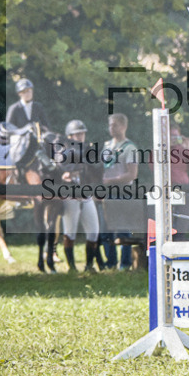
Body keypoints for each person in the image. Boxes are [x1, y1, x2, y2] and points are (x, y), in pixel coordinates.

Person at [59, 119, 103, 273]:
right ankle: (71, 267)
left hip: (86, 195)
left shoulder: (88, 151)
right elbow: (60, 172)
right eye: (77, 134)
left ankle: (89, 265)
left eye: (82, 134)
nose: (80, 137)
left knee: (94, 231)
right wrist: (67, 174)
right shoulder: (63, 153)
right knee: (70, 232)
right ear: (70, 136)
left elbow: (96, 170)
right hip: (70, 196)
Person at [100, 113, 140, 270]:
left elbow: (132, 174)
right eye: (110, 124)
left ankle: (125, 263)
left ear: (124, 126)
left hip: (123, 192)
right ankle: (110, 262)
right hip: (107, 192)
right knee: (106, 229)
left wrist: (112, 180)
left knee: (123, 229)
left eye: (115, 125)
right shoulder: (106, 146)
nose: (111, 128)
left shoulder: (130, 148)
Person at [167, 122, 189, 190]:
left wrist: (188, 150)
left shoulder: (183, 149)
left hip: (183, 187)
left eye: (176, 136)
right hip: (166, 188)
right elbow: (153, 167)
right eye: (171, 136)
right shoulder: (159, 149)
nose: (173, 138)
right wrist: (166, 148)